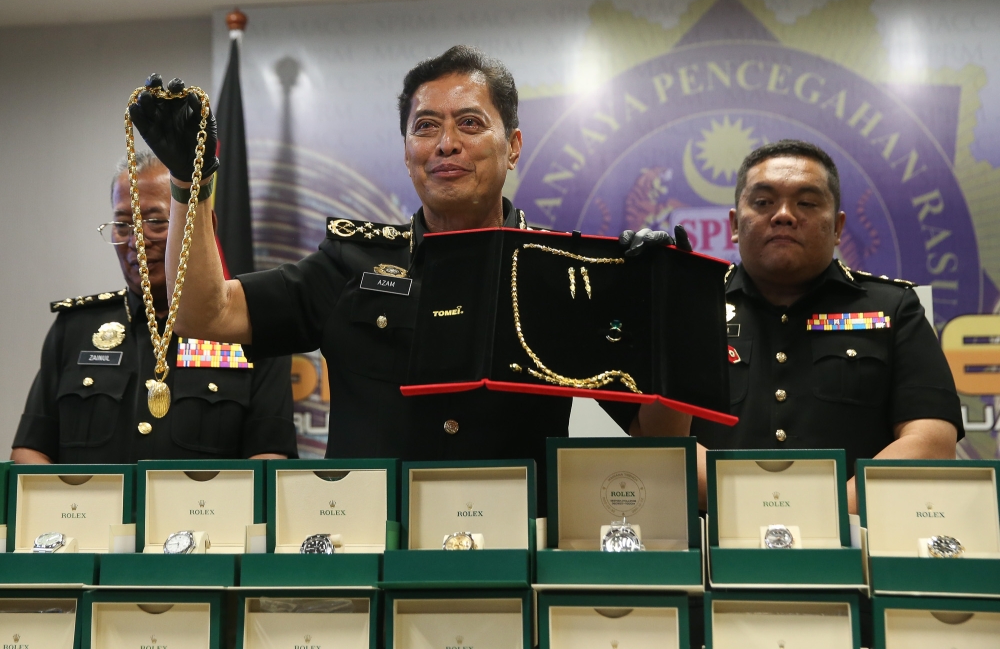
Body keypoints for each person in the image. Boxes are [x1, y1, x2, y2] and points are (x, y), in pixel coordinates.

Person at [127, 46, 691, 513]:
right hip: (372, 557)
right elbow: (205, 312)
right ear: (406, 152)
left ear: (513, 145)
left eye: (470, 124)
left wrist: (669, 307)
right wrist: (187, 183)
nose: (446, 143)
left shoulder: (564, 274)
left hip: (515, 563)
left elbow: (660, 435)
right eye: (426, 127)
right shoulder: (349, 262)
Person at [690, 139, 963, 513]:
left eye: (806, 202)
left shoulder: (893, 308)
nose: (784, 215)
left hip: (858, 547)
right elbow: (659, 439)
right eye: (764, 202)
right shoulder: (688, 308)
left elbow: (932, 442)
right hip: (710, 545)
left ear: (837, 227)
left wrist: (825, 515)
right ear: (736, 224)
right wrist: (751, 510)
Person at [10, 151, 297, 464]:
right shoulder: (75, 329)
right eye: (122, 224)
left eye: (157, 222)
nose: (137, 239)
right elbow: (31, 450)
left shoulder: (253, 331)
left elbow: (269, 458)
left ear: (205, 227)